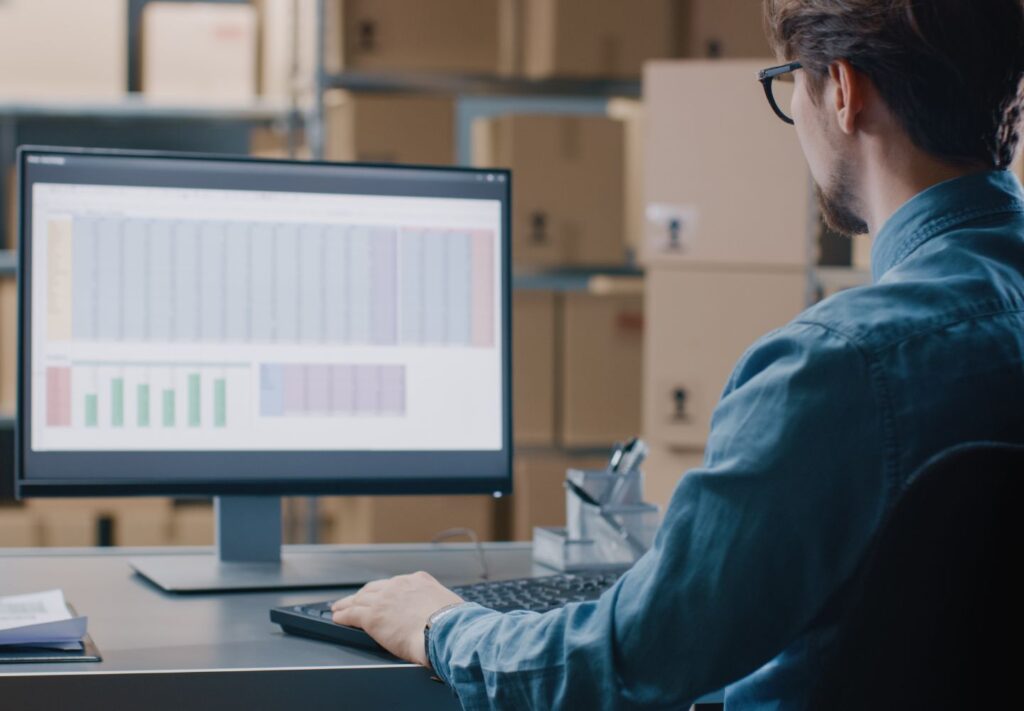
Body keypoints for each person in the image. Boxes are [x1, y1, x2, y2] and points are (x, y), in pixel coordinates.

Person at [331, 1, 1024, 707]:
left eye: (792, 84)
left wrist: (443, 624)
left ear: (842, 92)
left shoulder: (839, 366)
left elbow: (630, 660)